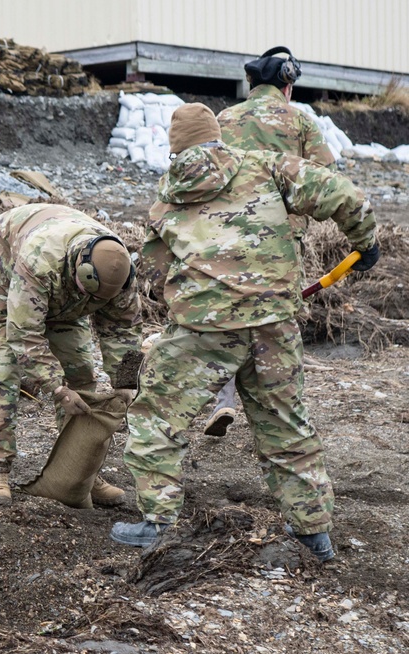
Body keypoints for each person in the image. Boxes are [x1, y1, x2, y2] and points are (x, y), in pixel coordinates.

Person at [110, 104, 380, 562]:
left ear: (175, 150)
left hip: (203, 329)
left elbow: (151, 270)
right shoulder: (267, 166)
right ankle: (315, 536)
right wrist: (365, 242)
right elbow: (341, 192)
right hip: (273, 323)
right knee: (285, 427)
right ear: (219, 137)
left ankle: (156, 525)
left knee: (157, 418)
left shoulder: (167, 195)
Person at [203, 46, 336, 438]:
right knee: (275, 322)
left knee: (225, 314)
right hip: (279, 239)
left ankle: (223, 400)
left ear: (250, 83)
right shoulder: (301, 121)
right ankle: (279, 414)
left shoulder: (223, 118)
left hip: (224, 233)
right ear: (288, 85)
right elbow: (324, 179)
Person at [0, 204, 142, 507]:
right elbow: (24, 334)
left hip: (66, 299)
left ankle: (79, 473)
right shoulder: (39, 261)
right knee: (3, 370)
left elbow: (124, 331)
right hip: (9, 273)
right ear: (81, 271)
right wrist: (57, 388)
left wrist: (126, 382)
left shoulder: (121, 274)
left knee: (82, 377)